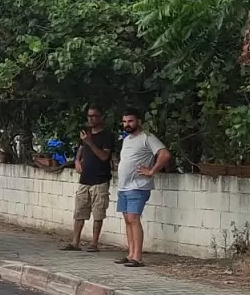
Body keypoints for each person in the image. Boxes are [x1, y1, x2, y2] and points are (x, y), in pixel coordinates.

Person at [115, 108, 171, 267]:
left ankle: (137, 257)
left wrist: (152, 171)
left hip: (138, 186)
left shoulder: (147, 137)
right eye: (125, 121)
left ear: (139, 121)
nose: (127, 124)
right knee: (127, 220)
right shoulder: (127, 139)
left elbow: (164, 154)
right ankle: (130, 253)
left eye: (130, 121)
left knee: (133, 219)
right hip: (124, 186)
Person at [62, 106, 114, 252]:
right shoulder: (86, 134)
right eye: (89, 116)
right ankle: (75, 242)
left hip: (100, 179)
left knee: (98, 213)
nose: (91, 119)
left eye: (94, 116)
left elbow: (104, 156)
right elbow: (80, 149)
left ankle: (94, 243)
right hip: (85, 179)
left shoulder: (107, 136)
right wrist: (77, 161)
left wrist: (90, 142)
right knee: (79, 212)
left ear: (101, 117)